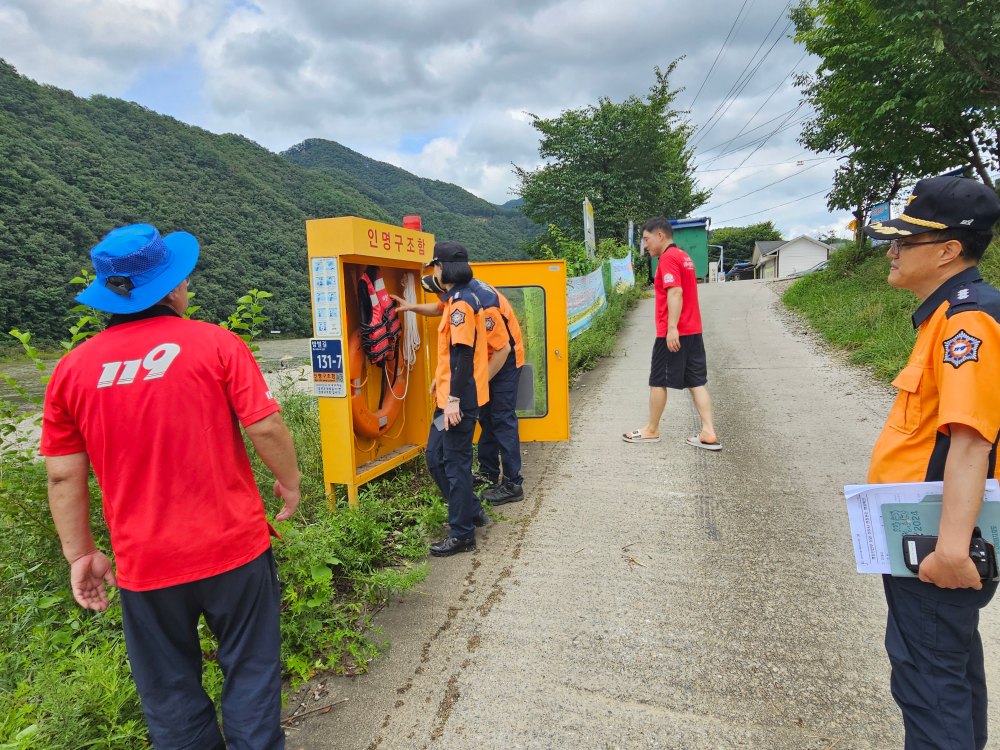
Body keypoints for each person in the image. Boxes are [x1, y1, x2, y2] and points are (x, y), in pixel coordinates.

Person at [40, 223, 301, 750]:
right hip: (234, 548)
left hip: (145, 562)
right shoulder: (216, 344)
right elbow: (266, 426)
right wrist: (289, 483)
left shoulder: (72, 370)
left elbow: (64, 472)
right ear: (173, 287)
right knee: (250, 671)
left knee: (169, 691)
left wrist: (80, 553)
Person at [863, 176, 1000, 750]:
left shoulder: (967, 322)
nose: (891, 252)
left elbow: (972, 441)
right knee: (950, 676)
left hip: (938, 543)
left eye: (905, 242)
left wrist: (948, 550)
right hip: (931, 537)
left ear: (948, 251)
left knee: (931, 689)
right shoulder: (946, 315)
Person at [394, 276, 526, 505]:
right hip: (481, 361)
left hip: (504, 360)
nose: (440, 301)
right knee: (485, 416)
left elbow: (502, 349)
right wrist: (411, 307)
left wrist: (476, 384)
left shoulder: (485, 304)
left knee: (501, 419)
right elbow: (439, 307)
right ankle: (488, 472)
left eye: (439, 294)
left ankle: (513, 483)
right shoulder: (457, 293)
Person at [415, 241, 490, 556]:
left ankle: (462, 534)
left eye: (434, 266)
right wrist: (440, 380)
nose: (434, 272)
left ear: (441, 268)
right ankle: (471, 510)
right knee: (435, 458)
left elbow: (464, 356)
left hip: (458, 401)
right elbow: (451, 357)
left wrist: (455, 400)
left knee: (456, 464)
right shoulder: (456, 300)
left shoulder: (461, 304)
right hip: (447, 396)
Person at [623, 215, 720, 450]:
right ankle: (708, 432)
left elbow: (675, 292)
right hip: (693, 330)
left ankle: (651, 430)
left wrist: (672, 329)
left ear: (660, 235)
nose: (645, 246)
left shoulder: (667, 259)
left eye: (646, 240)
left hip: (675, 332)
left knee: (658, 380)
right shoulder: (684, 256)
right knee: (696, 381)